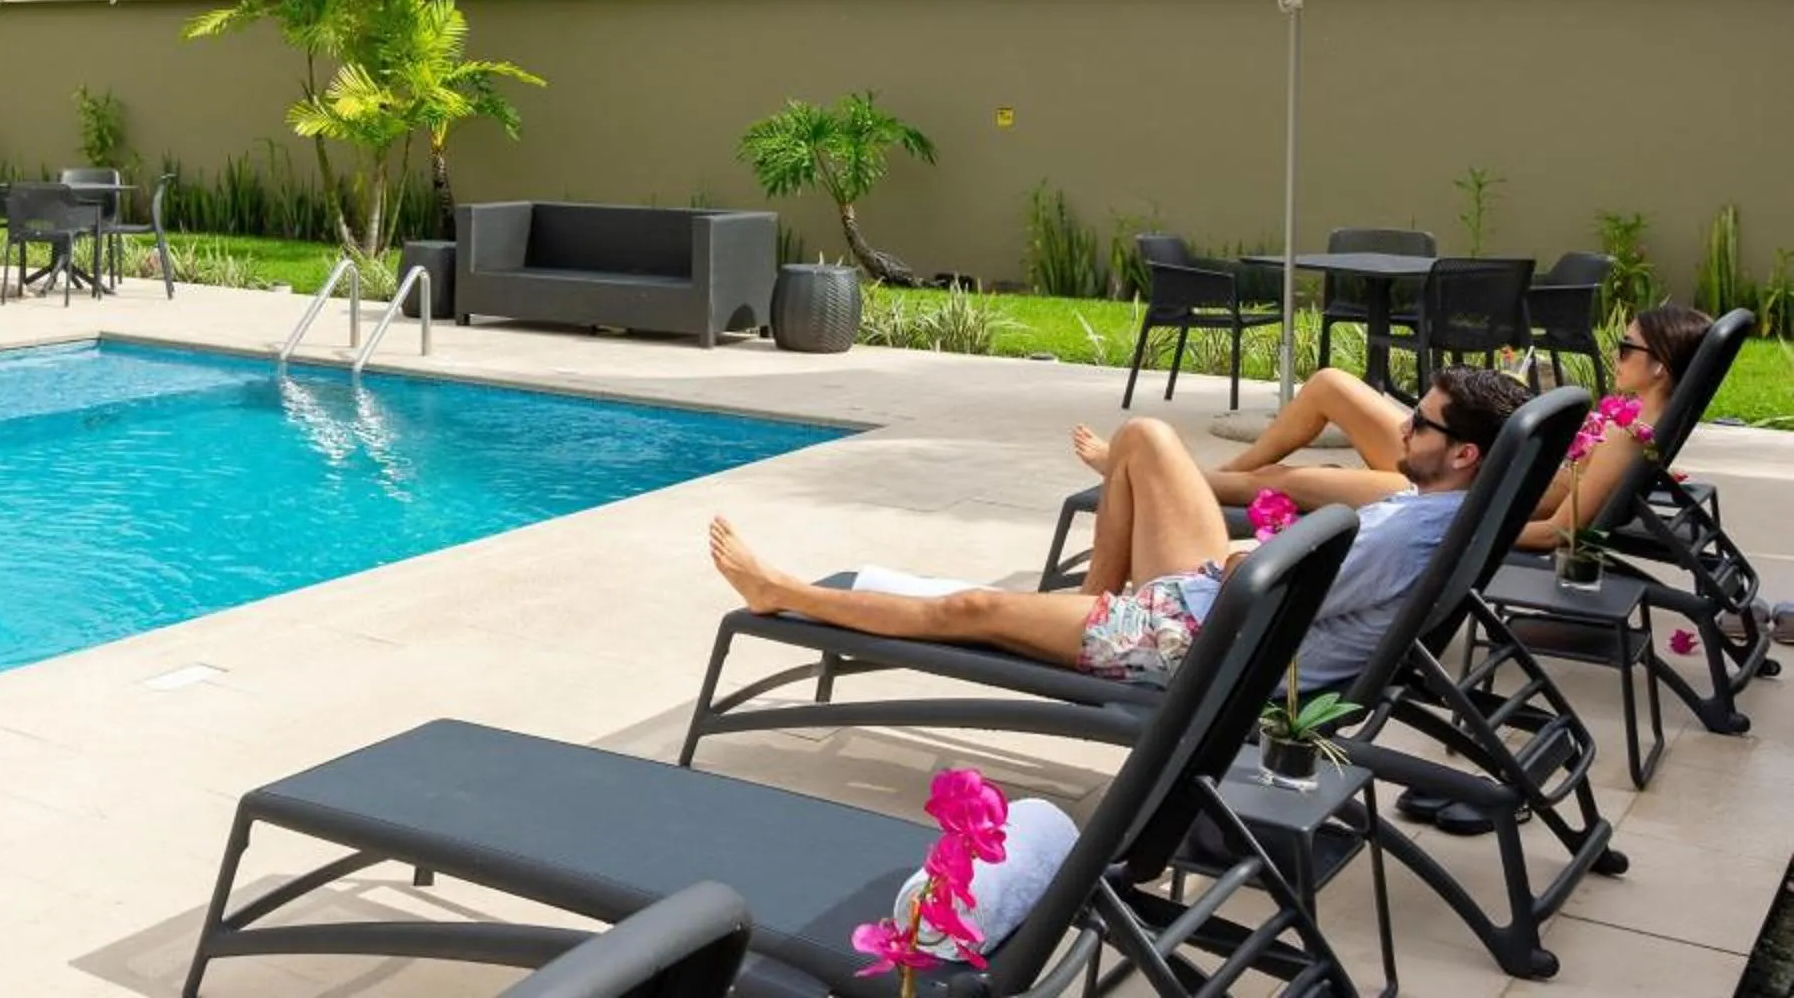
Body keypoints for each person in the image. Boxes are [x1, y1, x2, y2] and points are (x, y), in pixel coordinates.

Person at [710, 368, 1533, 688]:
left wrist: (1242, 559)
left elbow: (1280, 603)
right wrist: (1244, 555)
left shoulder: (1406, 536)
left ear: (1465, 454)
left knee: (970, 609)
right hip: (1209, 600)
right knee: (1145, 438)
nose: (1401, 428)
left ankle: (781, 592)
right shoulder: (1443, 507)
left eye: (1419, 424)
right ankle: (1087, 606)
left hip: (1200, 642)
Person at [1077, 304, 1710, 553]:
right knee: (1329, 385)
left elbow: (1557, 532)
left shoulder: (1630, 435)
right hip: (1467, 461)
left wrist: (1468, 526)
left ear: (1658, 366)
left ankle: (1149, 469)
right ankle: (1179, 470)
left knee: (1289, 480)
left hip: (1457, 494)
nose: (1616, 353)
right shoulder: (1639, 419)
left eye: (1626, 347)